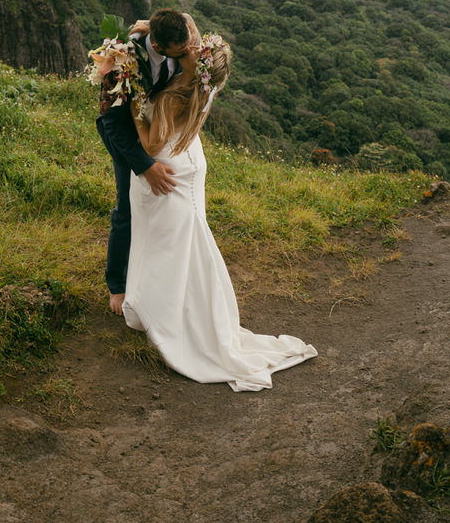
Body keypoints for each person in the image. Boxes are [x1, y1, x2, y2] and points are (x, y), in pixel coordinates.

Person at [122, 29, 318, 392]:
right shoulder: (207, 87)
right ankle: (182, 306)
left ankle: (163, 313)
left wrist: (134, 106)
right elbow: (189, 30)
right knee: (188, 241)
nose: (192, 48)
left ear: (196, 62)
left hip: (165, 169)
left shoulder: (174, 96)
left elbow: (150, 143)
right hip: (191, 162)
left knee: (163, 243)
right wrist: (151, 26)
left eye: (194, 50)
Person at [96, 8, 195, 315]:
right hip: (124, 132)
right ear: (159, 46)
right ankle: (118, 283)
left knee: (154, 204)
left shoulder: (174, 36)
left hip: (153, 125)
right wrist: (145, 165)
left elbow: (185, 17)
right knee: (126, 206)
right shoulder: (122, 61)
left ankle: (154, 272)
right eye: (180, 53)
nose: (187, 55)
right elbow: (112, 122)